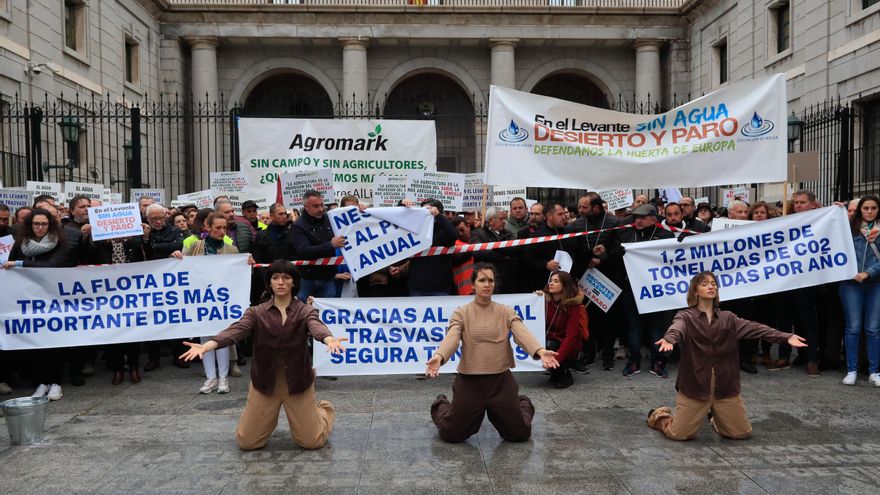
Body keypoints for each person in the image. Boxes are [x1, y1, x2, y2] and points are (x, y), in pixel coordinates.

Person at [180, 260, 347, 450]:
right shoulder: (255, 312)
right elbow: (236, 330)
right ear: (269, 283)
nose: (281, 282)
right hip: (265, 383)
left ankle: (323, 409)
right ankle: (269, 418)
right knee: (247, 443)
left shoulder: (305, 311)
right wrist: (208, 345)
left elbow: (315, 325)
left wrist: (328, 339)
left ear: (294, 282)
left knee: (312, 441)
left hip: (298, 382)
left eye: (286, 278)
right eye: (275, 278)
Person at [647, 271, 807, 440]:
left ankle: (716, 417)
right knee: (678, 435)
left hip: (725, 387)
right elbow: (676, 327)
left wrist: (786, 336)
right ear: (695, 291)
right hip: (695, 387)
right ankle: (659, 415)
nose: (711, 286)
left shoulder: (728, 318)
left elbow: (756, 328)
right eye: (705, 284)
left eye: (713, 283)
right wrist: (670, 338)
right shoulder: (685, 316)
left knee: (741, 433)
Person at [425, 263, 560, 443]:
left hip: (501, 382)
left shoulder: (505, 311)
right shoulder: (461, 313)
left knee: (520, 434)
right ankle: (441, 404)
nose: (487, 284)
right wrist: (439, 357)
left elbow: (521, 331)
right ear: (473, 285)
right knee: (452, 434)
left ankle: (521, 402)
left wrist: (540, 351)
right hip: (470, 383)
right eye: (482, 280)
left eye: (491, 280)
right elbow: (452, 337)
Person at [173, 212, 251, 394]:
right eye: (218, 228)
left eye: (224, 228)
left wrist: (247, 266)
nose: (222, 231)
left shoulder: (231, 250)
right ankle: (210, 378)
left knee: (221, 338)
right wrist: (176, 256)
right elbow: (179, 269)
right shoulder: (194, 247)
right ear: (207, 227)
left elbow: (240, 276)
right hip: (201, 301)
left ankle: (223, 378)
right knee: (204, 338)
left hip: (222, 300)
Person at [4, 207, 74, 401]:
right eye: (36, 224)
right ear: (29, 225)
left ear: (50, 225)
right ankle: (42, 382)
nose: (40, 228)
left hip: (53, 298)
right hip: (30, 298)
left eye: (44, 224)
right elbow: (9, 263)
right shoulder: (21, 243)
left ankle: (56, 383)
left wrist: (20, 265)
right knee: (37, 342)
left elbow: (52, 266)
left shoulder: (60, 242)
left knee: (54, 342)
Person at [616, 204, 674, 377]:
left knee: (656, 327)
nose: (638, 221)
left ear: (653, 218)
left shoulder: (665, 235)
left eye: (642, 217)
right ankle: (634, 362)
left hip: (655, 290)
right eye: (636, 218)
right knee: (634, 327)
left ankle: (658, 362)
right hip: (632, 290)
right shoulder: (627, 235)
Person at [839, 195, 880, 386]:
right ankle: (851, 370)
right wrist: (835, 210)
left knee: (873, 329)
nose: (870, 211)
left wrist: (868, 273)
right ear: (859, 210)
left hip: (875, 284)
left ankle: (874, 372)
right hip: (850, 285)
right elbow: (833, 246)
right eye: (866, 208)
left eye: (873, 208)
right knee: (853, 328)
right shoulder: (848, 228)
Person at [142, 203, 187, 372]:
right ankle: (153, 358)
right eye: (154, 219)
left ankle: (179, 355)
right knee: (152, 320)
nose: (158, 222)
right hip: (150, 283)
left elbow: (178, 246)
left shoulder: (173, 230)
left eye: (161, 218)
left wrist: (155, 247)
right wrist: (148, 241)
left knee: (176, 318)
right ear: (148, 219)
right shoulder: (144, 231)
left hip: (172, 283)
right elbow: (143, 251)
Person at [291, 190, 346, 300]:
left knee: (326, 314)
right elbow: (303, 251)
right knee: (303, 313)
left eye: (322, 205)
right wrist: (330, 245)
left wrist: (360, 209)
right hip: (306, 279)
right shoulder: (298, 226)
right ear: (305, 207)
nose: (320, 209)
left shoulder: (330, 219)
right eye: (315, 206)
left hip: (327, 278)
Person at [539, 271, 588, 389]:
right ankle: (556, 372)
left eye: (556, 281)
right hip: (550, 339)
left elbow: (571, 336)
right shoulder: (545, 302)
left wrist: (557, 359)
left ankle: (565, 374)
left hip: (570, 343)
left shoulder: (573, 306)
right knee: (548, 344)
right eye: (551, 280)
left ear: (564, 285)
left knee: (552, 345)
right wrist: (536, 299)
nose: (551, 283)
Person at [405, 198, 457, 296]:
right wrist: (403, 204)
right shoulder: (417, 230)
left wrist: (438, 216)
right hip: (417, 286)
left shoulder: (442, 231)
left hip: (440, 287)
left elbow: (453, 236)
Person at [470, 207, 516, 293]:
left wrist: (493, 247)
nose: (504, 221)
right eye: (501, 219)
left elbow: (513, 249)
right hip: (486, 280)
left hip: (507, 280)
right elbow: (478, 252)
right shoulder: (478, 234)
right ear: (491, 220)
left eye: (505, 218)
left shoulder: (508, 234)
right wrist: (503, 255)